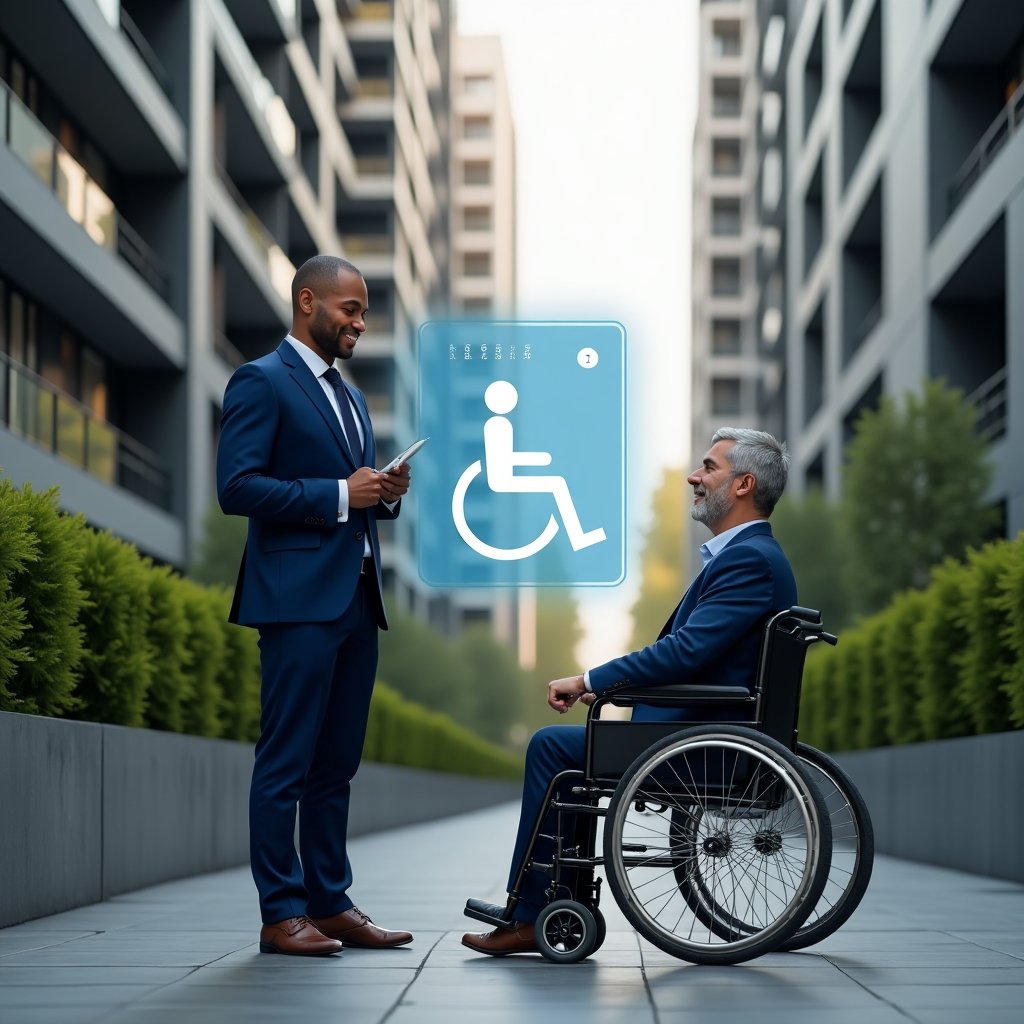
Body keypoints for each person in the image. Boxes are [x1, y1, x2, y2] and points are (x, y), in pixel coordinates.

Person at [462, 427, 797, 956]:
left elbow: (685, 653)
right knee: (569, 751)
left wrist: (591, 680)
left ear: (743, 484)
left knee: (552, 747)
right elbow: (698, 655)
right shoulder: (748, 558)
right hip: (704, 734)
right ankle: (556, 904)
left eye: (708, 467)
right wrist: (612, 688)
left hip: (698, 746)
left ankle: (531, 915)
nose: (694, 475)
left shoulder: (748, 561)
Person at [218, 255, 413, 957]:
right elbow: (237, 487)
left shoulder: (352, 398)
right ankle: (281, 913)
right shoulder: (261, 381)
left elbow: (355, 495)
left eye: (363, 312)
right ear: (308, 303)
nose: (360, 323)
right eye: (350, 310)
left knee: (337, 764)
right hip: (296, 600)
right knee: (287, 762)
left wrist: (381, 494)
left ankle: (330, 903)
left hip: (358, 598)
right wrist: (339, 494)